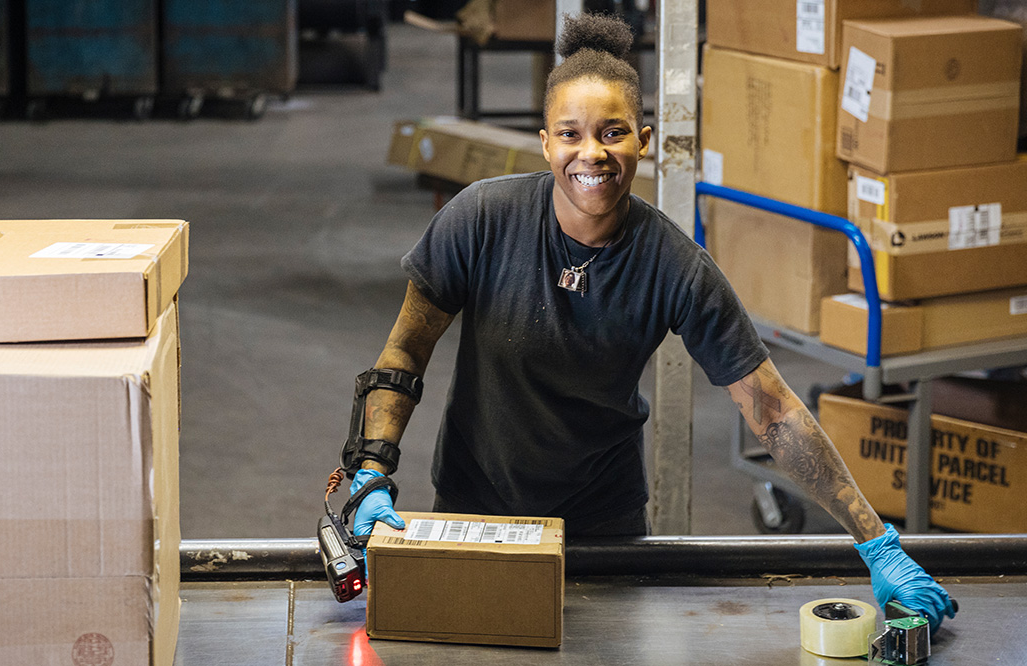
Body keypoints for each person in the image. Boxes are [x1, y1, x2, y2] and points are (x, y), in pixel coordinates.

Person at [340, 13, 955, 632]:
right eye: (570, 134)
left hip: (603, 525)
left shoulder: (676, 267)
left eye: (613, 133)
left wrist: (877, 543)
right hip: (475, 508)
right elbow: (404, 354)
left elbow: (772, 411)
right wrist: (371, 471)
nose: (593, 153)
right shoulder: (480, 220)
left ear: (645, 139)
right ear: (546, 142)